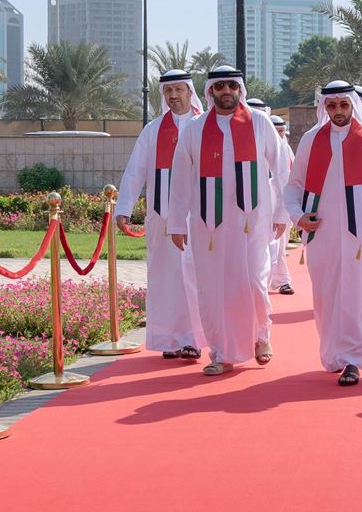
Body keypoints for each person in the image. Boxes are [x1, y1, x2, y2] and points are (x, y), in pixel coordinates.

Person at [167, 67, 290, 376]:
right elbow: (180, 179)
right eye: (219, 86)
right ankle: (220, 352)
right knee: (213, 289)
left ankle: (261, 335)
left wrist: (282, 213)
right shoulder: (194, 129)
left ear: (240, 89)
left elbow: (283, 171)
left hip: (252, 221)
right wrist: (177, 223)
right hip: (209, 225)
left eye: (231, 85)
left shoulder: (260, 123)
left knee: (252, 282)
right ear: (210, 91)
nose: (226, 91)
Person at [283, 81, 362, 386]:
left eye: (343, 105)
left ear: (353, 106)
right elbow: (294, 185)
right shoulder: (311, 140)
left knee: (352, 293)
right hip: (319, 231)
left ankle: (352, 358)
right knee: (324, 295)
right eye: (332, 106)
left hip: (357, 232)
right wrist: (298, 217)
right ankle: (333, 353)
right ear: (325, 108)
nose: (337, 111)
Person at [115, 69, 205, 360]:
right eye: (169, 91)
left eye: (179, 90)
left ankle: (193, 339)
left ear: (190, 92)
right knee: (164, 277)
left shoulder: (204, 126)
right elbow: (135, 171)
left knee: (195, 277)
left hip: (198, 217)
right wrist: (124, 208)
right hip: (161, 216)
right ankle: (169, 338)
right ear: (163, 96)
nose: (174, 95)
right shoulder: (153, 130)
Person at [268, 114, 296, 295]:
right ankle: (280, 280)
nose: (278, 136)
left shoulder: (285, 149)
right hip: (263, 206)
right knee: (273, 247)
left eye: (281, 132)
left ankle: (280, 280)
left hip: (282, 204)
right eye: (275, 132)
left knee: (279, 245)